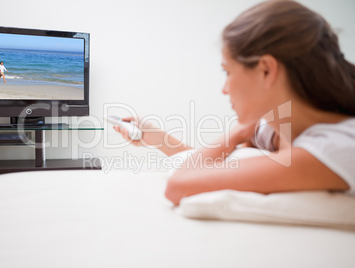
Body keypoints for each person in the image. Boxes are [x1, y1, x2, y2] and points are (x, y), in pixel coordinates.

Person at [114, 0, 355, 205]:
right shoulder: (276, 128)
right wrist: (161, 140)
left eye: (227, 72)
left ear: (266, 71)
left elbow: (179, 184)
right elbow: (218, 171)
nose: (224, 89)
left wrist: (237, 132)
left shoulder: (336, 148)